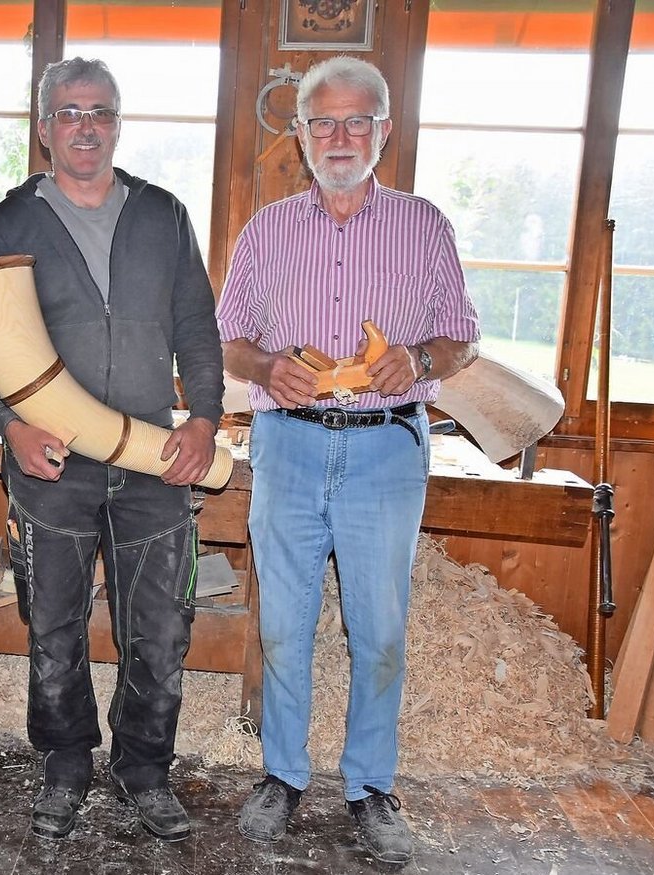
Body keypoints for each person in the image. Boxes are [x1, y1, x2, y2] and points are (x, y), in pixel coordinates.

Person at [215, 56, 479, 866]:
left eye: (356, 121)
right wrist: (265, 368)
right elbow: (227, 340)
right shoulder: (266, 231)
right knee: (286, 624)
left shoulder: (424, 225)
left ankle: (370, 785)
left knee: (380, 628)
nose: (339, 136)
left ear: (384, 131)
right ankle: (283, 775)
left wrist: (418, 359)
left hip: (385, 447)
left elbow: (462, 337)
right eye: (322, 121)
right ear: (297, 134)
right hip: (288, 442)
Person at [0, 57, 224, 843]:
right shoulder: (8, 224)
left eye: (100, 112)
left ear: (118, 123)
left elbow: (197, 326)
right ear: (43, 126)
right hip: (51, 461)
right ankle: (67, 759)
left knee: (161, 627)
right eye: (69, 112)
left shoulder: (163, 213)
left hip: (151, 456)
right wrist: (12, 424)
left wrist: (203, 419)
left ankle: (144, 765)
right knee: (54, 624)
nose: (85, 125)